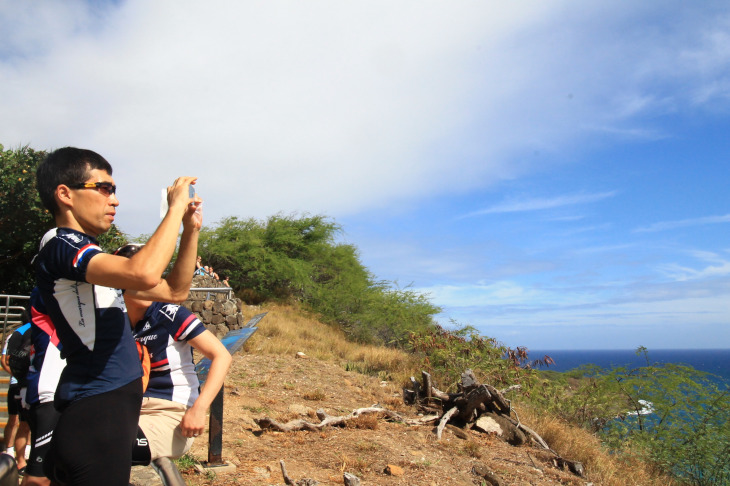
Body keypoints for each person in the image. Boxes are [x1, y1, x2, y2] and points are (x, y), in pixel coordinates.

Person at [34, 147, 199, 486]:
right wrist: (174, 207)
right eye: (104, 189)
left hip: (106, 413)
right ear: (65, 194)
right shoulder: (60, 244)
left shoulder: (92, 260)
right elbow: (143, 274)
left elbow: (174, 292)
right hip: (97, 414)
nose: (115, 201)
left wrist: (190, 229)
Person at [116, 243, 232, 461]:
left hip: (169, 412)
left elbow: (222, 355)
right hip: (123, 410)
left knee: (113, 446)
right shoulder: (110, 320)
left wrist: (199, 409)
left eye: (153, 274)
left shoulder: (168, 314)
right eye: (138, 274)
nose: (149, 282)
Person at [20, 288, 65, 486]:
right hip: (48, 393)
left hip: (56, 393)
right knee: (39, 476)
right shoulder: (47, 291)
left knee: (59, 473)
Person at [1, 311, 31, 474]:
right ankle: (9, 451)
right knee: (15, 420)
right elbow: (5, 360)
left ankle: (26, 453)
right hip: (18, 384)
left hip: (30, 384)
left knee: (28, 423)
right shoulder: (17, 335)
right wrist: (17, 374)